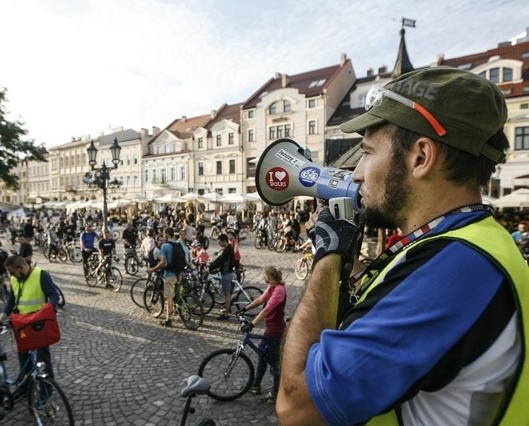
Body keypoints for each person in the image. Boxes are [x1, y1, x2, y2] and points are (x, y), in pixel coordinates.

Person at [276, 67, 529, 425]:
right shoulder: (470, 243)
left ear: (421, 157)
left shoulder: (455, 268)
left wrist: (327, 256)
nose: (357, 173)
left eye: (366, 152)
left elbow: (297, 405)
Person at [0, 255, 59, 383]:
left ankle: (46, 388)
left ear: (22, 267)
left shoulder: (41, 275)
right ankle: (25, 385)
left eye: (13, 272)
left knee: (42, 359)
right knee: (23, 356)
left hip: (39, 324)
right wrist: (1, 318)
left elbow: (53, 295)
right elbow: (12, 301)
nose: (11, 275)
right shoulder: (14, 279)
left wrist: (49, 309)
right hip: (21, 324)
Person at [241, 265, 287, 404]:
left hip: (276, 331)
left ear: (269, 277)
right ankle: (256, 385)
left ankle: (275, 393)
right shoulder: (272, 287)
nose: (262, 278)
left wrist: (252, 324)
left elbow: (267, 309)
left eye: (264, 275)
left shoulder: (279, 290)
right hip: (270, 329)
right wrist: (244, 309)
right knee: (262, 354)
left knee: (275, 363)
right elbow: (260, 300)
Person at [146, 227, 179, 327]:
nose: (164, 236)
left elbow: (162, 262)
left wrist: (152, 269)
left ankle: (168, 319)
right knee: (174, 295)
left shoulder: (165, 246)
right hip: (178, 273)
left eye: (165, 234)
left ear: (168, 234)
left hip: (169, 274)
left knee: (169, 297)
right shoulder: (178, 244)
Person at [208, 234, 235, 321]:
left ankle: (226, 314)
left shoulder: (227, 251)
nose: (219, 244)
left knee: (227, 295)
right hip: (229, 273)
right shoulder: (228, 249)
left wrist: (211, 267)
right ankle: (228, 308)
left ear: (224, 241)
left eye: (220, 242)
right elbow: (220, 258)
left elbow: (221, 261)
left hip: (226, 274)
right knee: (229, 294)